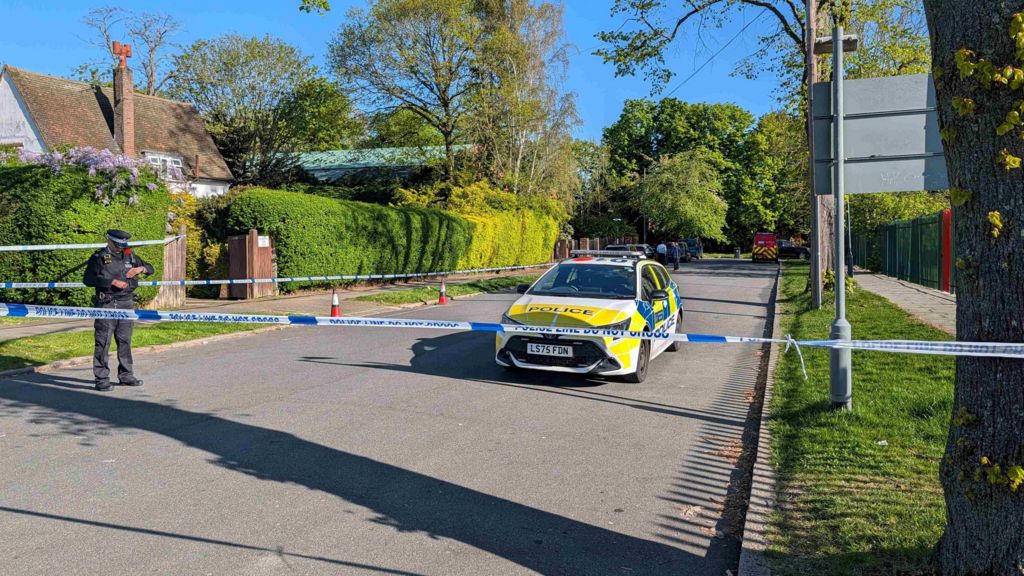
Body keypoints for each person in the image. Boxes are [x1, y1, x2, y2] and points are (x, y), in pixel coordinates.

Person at [82, 229, 154, 391]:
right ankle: (101, 379)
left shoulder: (129, 255)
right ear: (109, 241)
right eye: (117, 245)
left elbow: (150, 268)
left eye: (123, 245)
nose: (120, 248)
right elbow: (88, 279)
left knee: (125, 341)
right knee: (103, 342)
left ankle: (126, 375)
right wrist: (111, 282)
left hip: (126, 303)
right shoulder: (98, 258)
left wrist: (140, 269)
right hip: (107, 303)